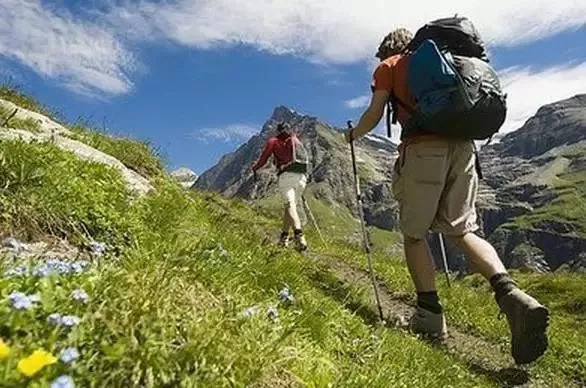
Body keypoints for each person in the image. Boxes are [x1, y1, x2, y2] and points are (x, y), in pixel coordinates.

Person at [345, 28, 549, 364]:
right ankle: (511, 293)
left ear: (385, 49)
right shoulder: (449, 61)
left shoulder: (390, 66)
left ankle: (429, 319)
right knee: (462, 231)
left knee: (413, 235)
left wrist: (352, 135)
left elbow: (375, 113)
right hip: (465, 150)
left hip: (424, 149)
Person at [252, 122, 309, 252]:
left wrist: (255, 168)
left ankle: (299, 236)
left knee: (290, 205)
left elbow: (264, 158)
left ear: (278, 131)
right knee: (289, 207)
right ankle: (283, 239)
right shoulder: (294, 139)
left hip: (286, 176)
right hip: (301, 177)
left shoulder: (274, 141)